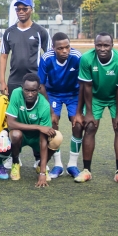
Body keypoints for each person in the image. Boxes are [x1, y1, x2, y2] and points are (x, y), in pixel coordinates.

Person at [75, 33, 118, 185]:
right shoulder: (86, 58)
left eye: (106, 45)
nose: (102, 48)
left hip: (115, 97)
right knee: (90, 127)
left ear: (112, 45)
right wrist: (89, 113)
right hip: (95, 97)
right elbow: (87, 86)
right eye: (98, 45)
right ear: (94, 45)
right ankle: (86, 171)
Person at [6, 75, 63, 188]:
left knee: (57, 138)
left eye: (33, 91)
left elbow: (43, 141)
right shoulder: (16, 93)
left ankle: (41, 165)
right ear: (22, 88)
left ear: (39, 89)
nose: (30, 94)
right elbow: (10, 123)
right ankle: (15, 163)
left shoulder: (44, 105)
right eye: (27, 90)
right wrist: (38, 127)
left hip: (37, 137)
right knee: (15, 134)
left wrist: (42, 173)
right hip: (21, 134)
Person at [38, 33, 81, 178]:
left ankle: (72, 165)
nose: (65, 51)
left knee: (78, 124)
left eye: (67, 47)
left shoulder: (77, 57)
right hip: (53, 94)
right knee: (52, 125)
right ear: (53, 48)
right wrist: (51, 111)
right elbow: (41, 85)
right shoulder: (46, 58)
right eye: (60, 48)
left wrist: (79, 112)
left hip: (73, 94)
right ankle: (58, 165)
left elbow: (84, 83)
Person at [0, 0, 49, 96]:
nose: (21, 12)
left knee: (35, 106)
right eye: (18, 9)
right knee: (15, 106)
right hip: (14, 80)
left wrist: (47, 79)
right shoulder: (9, 32)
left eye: (25, 9)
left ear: (31, 10)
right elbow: (3, 57)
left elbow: (50, 55)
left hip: (35, 79)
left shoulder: (40, 31)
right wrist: (2, 82)